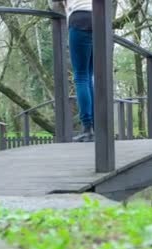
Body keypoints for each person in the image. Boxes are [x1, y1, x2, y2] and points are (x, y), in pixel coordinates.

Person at [53, 0, 94, 142]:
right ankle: (97, 126)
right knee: (90, 75)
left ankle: (87, 127)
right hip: (99, 18)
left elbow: (54, 5)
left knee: (81, 76)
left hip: (79, 19)